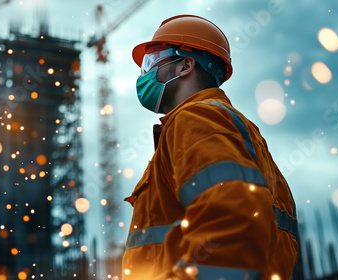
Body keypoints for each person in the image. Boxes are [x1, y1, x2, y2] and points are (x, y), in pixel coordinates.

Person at [122, 15, 300, 280]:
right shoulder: (233, 129)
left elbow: (232, 228)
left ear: (185, 65)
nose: (144, 74)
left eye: (151, 62)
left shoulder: (197, 121)